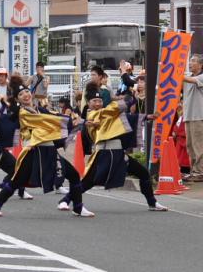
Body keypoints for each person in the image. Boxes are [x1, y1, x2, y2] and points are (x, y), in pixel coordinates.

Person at [57, 82, 167, 212]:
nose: (97, 103)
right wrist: (130, 97)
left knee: (143, 173)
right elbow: (113, 110)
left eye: (99, 101)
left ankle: (152, 203)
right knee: (88, 182)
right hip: (104, 153)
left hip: (118, 153)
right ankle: (65, 200)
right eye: (94, 101)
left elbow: (125, 117)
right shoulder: (92, 114)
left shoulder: (107, 113)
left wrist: (147, 117)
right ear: (88, 103)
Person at [0, 81, 92, 218]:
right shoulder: (24, 113)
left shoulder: (40, 109)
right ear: (17, 99)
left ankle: (78, 207)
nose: (25, 95)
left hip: (49, 150)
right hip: (33, 151)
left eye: (26, 91)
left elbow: (53, 115)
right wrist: (68, 120)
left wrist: (80, 121)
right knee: (16, 181)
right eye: (20, 94)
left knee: (73, 175)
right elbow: (46, 120)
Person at [182, 54, 203, 181]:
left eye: (193, 61)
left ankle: (200, 172)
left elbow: (191, 81)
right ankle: (194, 171)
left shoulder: (200, 77)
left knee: (198, 145)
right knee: (190, 145)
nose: (190, 63)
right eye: (190, 61)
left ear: (201, 65)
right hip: (188, 115)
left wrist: (175, 74)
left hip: (198, 115)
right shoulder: (188, 77)